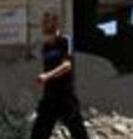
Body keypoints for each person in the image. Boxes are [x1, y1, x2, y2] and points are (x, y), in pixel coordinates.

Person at [30, 11, 90, 139]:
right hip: (49, 97)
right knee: (38, 133)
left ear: (55, 23)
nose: (43, 25)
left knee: (79, 134)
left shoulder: (65, 41)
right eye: (43, 22)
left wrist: (47, 76)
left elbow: (66, 66)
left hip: (65, 97)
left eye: (47, 22)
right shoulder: (46, 47)